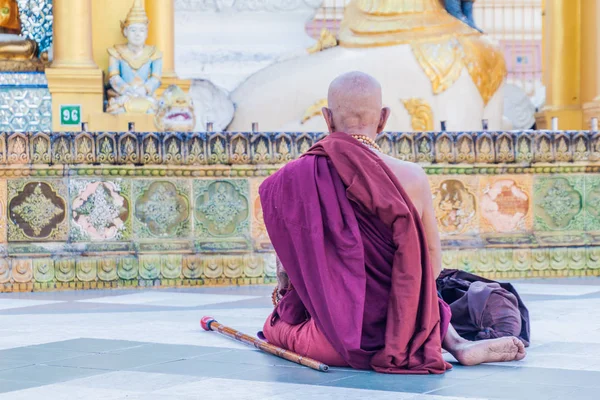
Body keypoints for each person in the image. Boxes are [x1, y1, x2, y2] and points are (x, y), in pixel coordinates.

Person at [259, 71, 526, 374]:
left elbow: (286, 270)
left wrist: (287, 296)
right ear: (383, 119)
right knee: (416, 289)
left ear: (327, 118)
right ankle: (455, 342)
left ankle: (451, 340)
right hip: (404, 333)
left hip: (330, 343)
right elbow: (431, 265)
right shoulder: (412, 176)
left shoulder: (295, 176)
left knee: (275, 327)